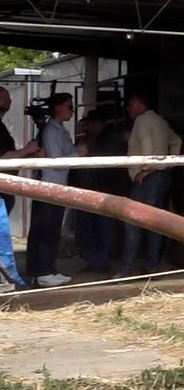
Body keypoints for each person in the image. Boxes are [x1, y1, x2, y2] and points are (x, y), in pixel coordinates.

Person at [115, 92, 181, 278]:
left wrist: (145, 168)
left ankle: (125, 269)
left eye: (130, 104)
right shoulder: (161, 121)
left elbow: (146, 144)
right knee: (154, 222)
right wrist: (167, 164)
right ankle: (152, 265)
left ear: (137, 102)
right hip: (161, 176)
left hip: (147, 177)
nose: (128, 109)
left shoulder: (142, 121)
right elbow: (176, 141)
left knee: (133, 221)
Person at [26, 93, 75, 287]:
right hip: (49, 185)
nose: (72, 110)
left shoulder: (59, 130)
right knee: (46, 229)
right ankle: (42, 271)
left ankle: (49, 267)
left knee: (53, 229)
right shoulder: (52, 131)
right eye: (69, 106)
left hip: (58, 185)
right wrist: (79, 154)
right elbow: (56, 159)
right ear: (58, 108)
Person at [71, 109, 125, 274]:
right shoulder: (84, 140)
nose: (91, 126)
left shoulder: (111, 141)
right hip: (86, 190)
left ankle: (102, 260)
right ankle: (92, 260)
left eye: (94, 123)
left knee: (104, 227)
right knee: (86, 227)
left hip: (104, 190)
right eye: (89, 124)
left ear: (102, 124)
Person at [0, 87, 41, 291]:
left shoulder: (2, 126)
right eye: (6, 97)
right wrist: (27, 150)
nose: (10, 101)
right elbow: (2, 158)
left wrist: (27, 155)